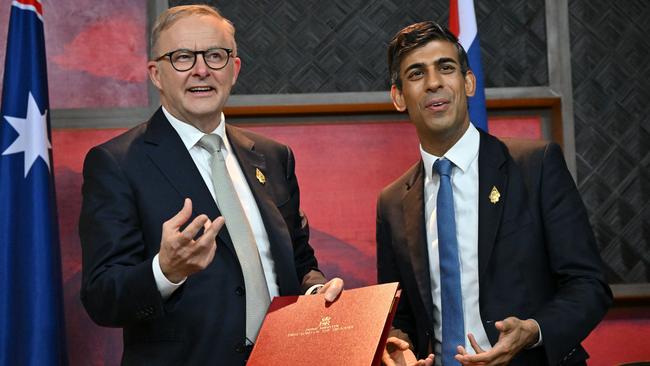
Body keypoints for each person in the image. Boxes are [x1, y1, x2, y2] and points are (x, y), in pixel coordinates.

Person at [79, 5, 342, 365]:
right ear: (156, 74)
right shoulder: (117, 163)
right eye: (183, 57)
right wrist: (165, 270)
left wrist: (315, 288)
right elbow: (102, 296)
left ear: (233, 69)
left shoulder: (272, 156)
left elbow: (298, 258)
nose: (201, 70)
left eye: (215, 56)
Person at [377, 21, 612, 366]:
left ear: (468, 82)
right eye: (416, 74)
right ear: (398, 97)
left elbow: (589, 286)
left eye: (446, 68)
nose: (434, 83)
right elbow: (402, 315)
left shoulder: (536, 166)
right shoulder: (392, 202)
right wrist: (398, 343)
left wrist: (534, 329)